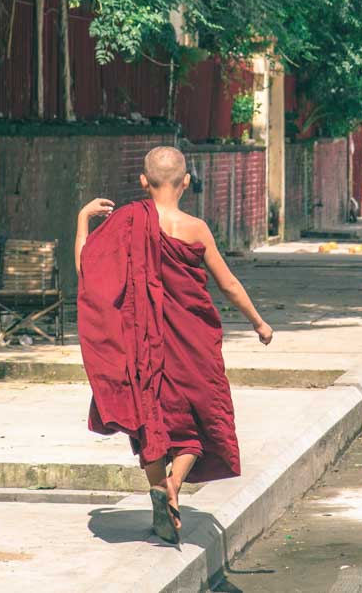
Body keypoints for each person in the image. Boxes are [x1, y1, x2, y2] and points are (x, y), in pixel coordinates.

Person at [75, 146, 272, 545]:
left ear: (143, 182)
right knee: (199, 419)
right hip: (191, 341)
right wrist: (258, 322)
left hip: (141, 345)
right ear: (186, 183)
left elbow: (87, 268)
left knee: (149, 418)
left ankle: (158, 488)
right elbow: (228, 283)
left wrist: (82, 220)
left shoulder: (126, 221)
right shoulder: (196, 228)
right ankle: (175, 483)